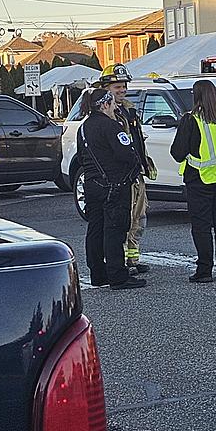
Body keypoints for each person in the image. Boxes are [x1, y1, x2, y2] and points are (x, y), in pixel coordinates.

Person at [171, 80, 216, 282]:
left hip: (200, 180)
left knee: (201, 227)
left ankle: (204, 271)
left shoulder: (192, 120)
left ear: (196, 96)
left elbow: (177, 153)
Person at [78, 88, 146, 290]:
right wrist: (133, 168)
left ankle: (97, 274)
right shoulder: (111, 126)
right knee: (114, 230)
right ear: (105, 104)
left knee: (95, 230)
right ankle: (117, 275)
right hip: (114, 185)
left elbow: (82, 158)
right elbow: (127, 155)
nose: (116, 107)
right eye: (113, 104)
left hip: (91, 185)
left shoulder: (83, 128)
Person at [93, 63, 152, 276]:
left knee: (139, 218)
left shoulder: (129, 110)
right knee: (123, 221)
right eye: (117, 86)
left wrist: (143, 163)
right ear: (106, 88)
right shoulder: (106, 115)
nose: (122, 90)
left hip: (136, 174)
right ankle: (119, 263)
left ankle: (132, 260)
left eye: (124, 85)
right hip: (120, 177)